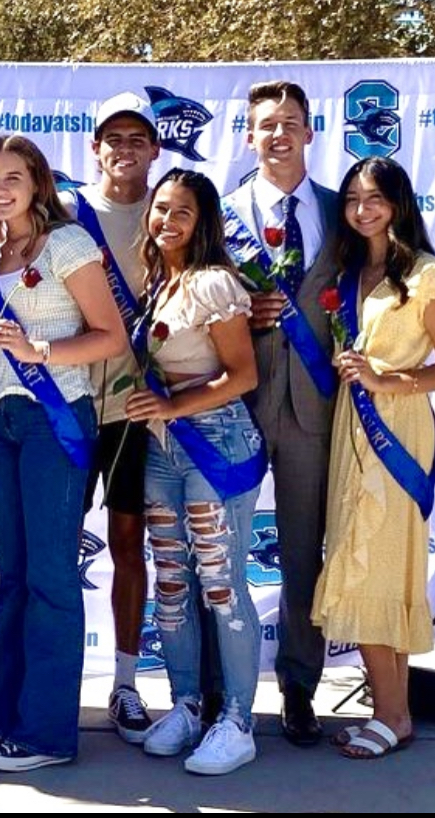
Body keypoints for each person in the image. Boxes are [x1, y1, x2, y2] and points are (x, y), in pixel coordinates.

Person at [0, 135, 126, 772]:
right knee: (15, 577)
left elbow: (110, 336)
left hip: (53, 420)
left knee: (52, 578)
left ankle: (47, 736)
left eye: (13, 177)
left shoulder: (68, 243)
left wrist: (40, 352)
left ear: (37, 183)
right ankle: (7, 723)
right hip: (1, 422)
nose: (0, 188)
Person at [312, 155, 435, 759]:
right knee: (370, 559)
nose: (361, 208)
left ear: (399, 202)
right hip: (353, 424)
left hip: (396, 426)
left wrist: (388, 380)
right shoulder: (352, 271)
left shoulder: (426, 275)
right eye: (352, 197)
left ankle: (392, 713)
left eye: (374, 197)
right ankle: (395, 712)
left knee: (376, 562)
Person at [121, 168, 266, 775]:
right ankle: (186, 703)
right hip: (163, 447)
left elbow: (243, 375)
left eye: (182, 212)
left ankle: (237, 720)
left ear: (204, 221)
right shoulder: (158, 284)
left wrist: (174, 406)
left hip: (216, 443)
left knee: (221, 581)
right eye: (160, 209)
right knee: (173, 584)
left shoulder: (213, 283)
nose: (167, 221)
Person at [219, 80, 339, 745]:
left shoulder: (338, 210)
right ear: (249, 135)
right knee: (221, 554)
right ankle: (218, 686)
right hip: (233, 402)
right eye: (266, 123)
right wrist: (242, 311)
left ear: (309, 132)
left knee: (302, 556)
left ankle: (299, 684)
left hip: (314, 408)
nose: (279, 134)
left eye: (291, 122)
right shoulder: (221, 213)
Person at [69, 91, 163, 744]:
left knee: (130, 547)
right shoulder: (67, 212)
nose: (124, 149)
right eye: (113, 137)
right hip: (70, 407)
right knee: (54, 549)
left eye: (137, 138)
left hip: (138, 410)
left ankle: (126, 683)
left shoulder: (173, 210)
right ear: (95, 146)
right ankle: (54, 677)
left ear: (155, 148)